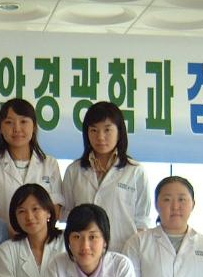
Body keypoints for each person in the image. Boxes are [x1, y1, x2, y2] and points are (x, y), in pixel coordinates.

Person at [62, 101, 150, 252]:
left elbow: (142, 222)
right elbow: (68, 215)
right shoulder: (74, 171)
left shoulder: (136, 172)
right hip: (85, 254)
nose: (100, 137)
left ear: (119, 132)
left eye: (107, 130)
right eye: (94, 130)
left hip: (123, 253)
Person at [0, 98, 64, 228]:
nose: (17, 129)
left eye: (23, 121)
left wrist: (37, 234)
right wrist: (13, 234)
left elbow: (55, 206)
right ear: (0, 128)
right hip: (2, 237)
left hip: (42, 238)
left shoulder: (50, 164)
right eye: (9, 122)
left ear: (34, 126)